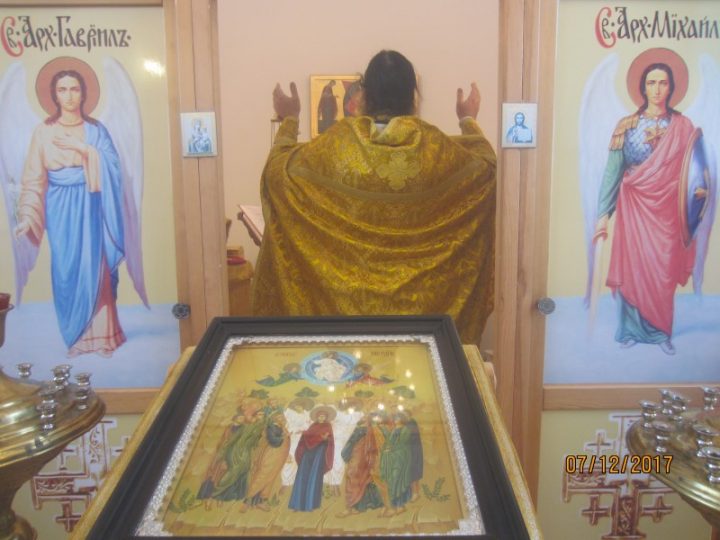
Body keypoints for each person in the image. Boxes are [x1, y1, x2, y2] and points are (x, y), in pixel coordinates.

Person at [252, 50, 496, 345]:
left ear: (364, 95)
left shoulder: (336, 147)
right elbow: (488, 171)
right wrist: (468, 119)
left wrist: (289, 119)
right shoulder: (437, 151)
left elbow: (278, 173)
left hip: (343, 316)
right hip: (422, 323)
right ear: (413, 97)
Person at [15, 69, 127, 358]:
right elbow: (33, 179)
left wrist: (85, 149)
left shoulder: (96, 130)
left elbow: (114, 170)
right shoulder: (43, 132)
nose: (68, 96)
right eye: (62, 89)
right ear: (53, 94)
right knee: (66, 270)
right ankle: (75, 336)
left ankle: (102, 338)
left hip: (91, 206)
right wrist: (27, 216)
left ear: (84, 93)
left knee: (96, 267)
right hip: (59, 208)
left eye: (74, 89)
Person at [593, 62, 696, 355]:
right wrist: (603, 216)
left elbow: (693, 172)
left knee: (662, 269)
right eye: (651, 83)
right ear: (642, 87)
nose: (657, 89)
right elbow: (613, 172)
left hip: (668, 211)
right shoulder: (627, 125)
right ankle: (629, 330)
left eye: (663, 83)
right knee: (633, 268)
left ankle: (661, 332)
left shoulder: (683, 127)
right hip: (634, 208)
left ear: (671, 87)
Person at [288, 405, 335, 511]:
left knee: (314, 476)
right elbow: (307, 436)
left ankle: (310, 504)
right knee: (302, 475)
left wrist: (324, 439)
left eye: (323, 416)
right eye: (320, 416)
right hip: (308, 453)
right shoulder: (313, 425)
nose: (321, 418)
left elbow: (329, 440)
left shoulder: (327, 426)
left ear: (326, 417)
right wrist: (305, 434)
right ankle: (297, 504)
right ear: (317, 417)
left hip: (319, 453)